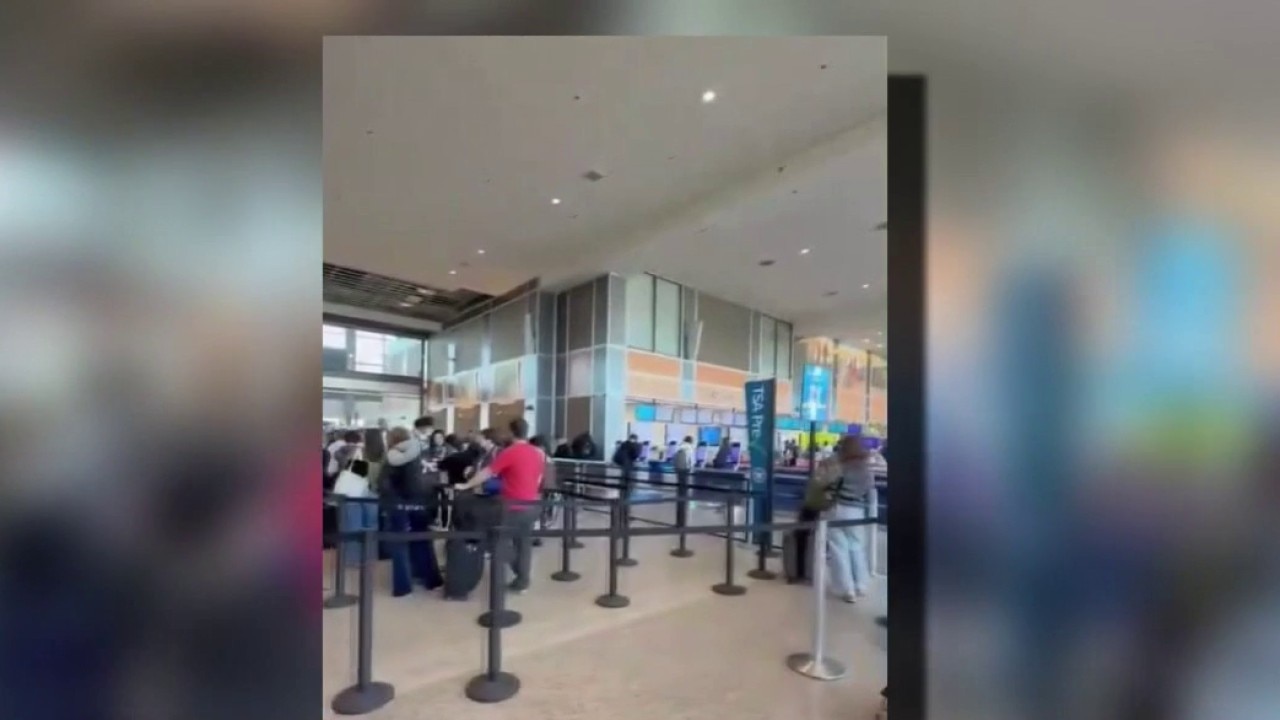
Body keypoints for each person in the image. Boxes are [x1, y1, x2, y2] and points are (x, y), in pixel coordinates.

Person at [458, 417, 543, 594]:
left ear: (512, 432)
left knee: (496, 539)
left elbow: (487, 473)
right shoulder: (536, 452)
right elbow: (539, 478)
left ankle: (518, 570)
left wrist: (466, 485)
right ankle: (523, 581)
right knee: (523, 543)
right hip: (532, 505)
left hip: (512, 507)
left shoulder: (510, 452)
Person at [806, 435, 875, 603]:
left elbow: (824, 484)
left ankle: (847, 590)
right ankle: (861, 585)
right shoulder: (866, 470)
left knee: (839, 549)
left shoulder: (839, 466)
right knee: (857, 547)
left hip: (836, 509)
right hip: (857, 511)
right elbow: (870, 494)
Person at [380, 427, 442, 596]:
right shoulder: (420, 452)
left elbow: (385, 484)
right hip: (421, 502)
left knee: (399, 545)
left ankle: (403, 586)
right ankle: (430, 578)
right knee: (422, 541)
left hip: (400, 505)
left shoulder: (392, 458)